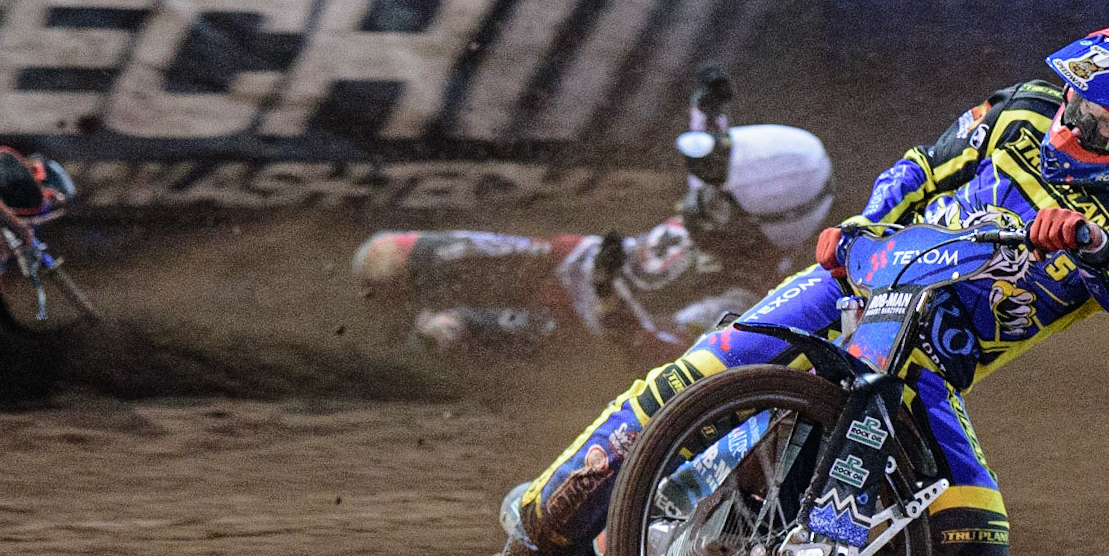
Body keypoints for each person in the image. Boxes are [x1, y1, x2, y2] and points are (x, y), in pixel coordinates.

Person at [480, 21, 1109, 556]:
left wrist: (1092, 244)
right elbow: (920, 168)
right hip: (858, 285)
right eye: (1078, 100)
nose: (1075, 123)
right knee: (702, 373)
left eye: (1102, 122)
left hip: (925, 374)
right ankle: (538, 533)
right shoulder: (1022, 109)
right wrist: (865, 224)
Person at [354, 64, 834, 357]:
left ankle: (365, 376)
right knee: (384, 255)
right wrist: (705, 108)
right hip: (563, 258)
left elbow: (663, 351)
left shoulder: (744, 300)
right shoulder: (734, 199)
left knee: (439, 335)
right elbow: (711, 158)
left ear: (757, 227)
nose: (698, 201)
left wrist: (608, 299)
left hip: (570, 332)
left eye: (718, 200)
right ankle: (366, 324)